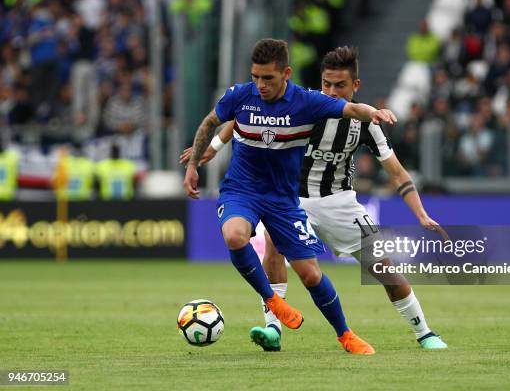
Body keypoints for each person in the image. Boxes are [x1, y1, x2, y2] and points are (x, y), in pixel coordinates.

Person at [181, 46, 447, 351]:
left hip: (339, 202)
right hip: (292, 198)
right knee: (273, 249)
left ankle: (424, 332)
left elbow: (398, 175)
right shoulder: (302, 103)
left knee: (383, 268)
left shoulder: (362, 123)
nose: (332, 92)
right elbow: (247, 115)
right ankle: (273, 328)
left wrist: (422, 215)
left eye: (340, 86)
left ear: (355, 86)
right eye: (327, 84)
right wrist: (214, 145)